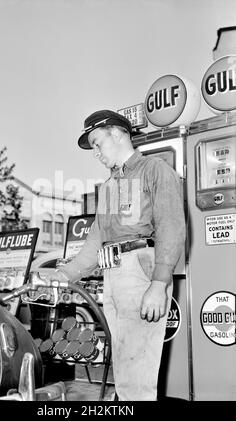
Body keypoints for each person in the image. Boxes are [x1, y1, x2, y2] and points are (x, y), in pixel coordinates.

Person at [48, 109, 186, 401]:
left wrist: (159, 283)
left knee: (138, 374)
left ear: (118, 133)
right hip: (113, 275)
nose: (95, 153)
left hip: (141, 271)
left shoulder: (155, 170)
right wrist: (66, 274)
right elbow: (95, 240)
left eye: (97, 143)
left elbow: (171, 228)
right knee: (125, 369)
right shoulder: (110, 186)